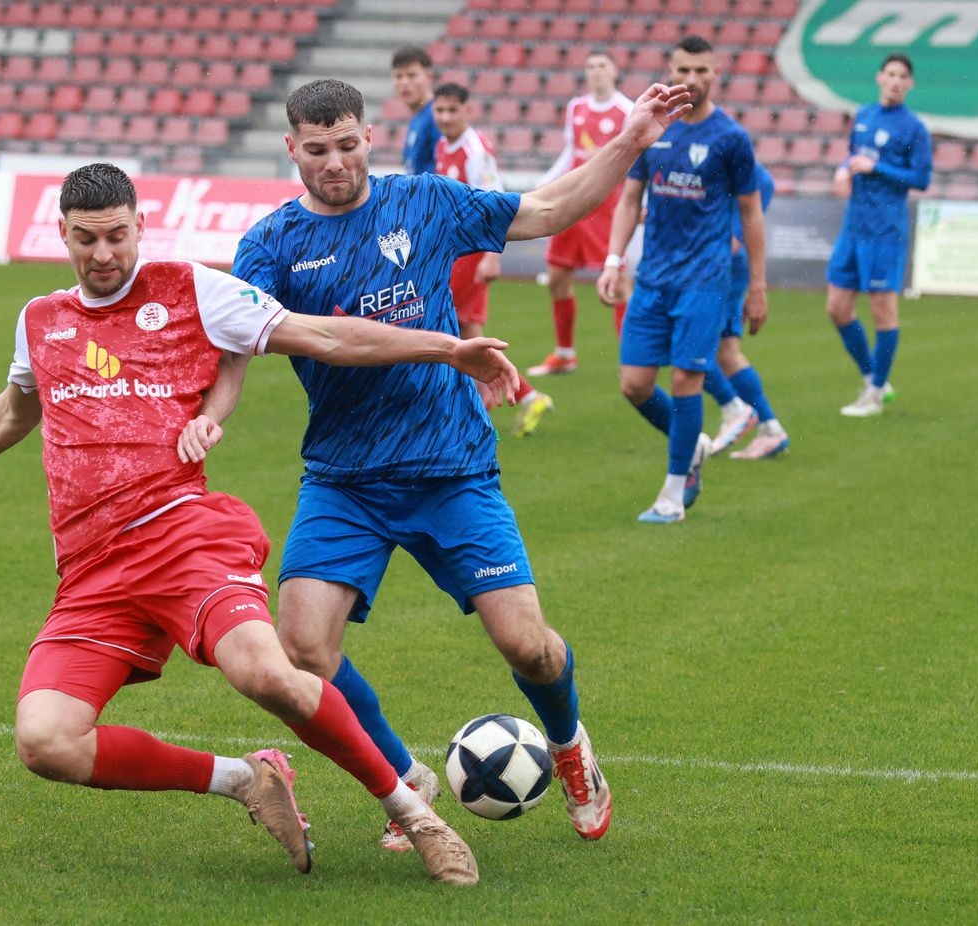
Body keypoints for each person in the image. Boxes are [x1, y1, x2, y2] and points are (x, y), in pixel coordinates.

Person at [0, 162, 523, 885]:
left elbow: (325, 337)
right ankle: (247, 781)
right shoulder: (41, 319)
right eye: (86, 239)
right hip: (92, 568)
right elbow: (13, 411)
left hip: (183, 536)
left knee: (268, 673)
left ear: (140, 225)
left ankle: (416, 816)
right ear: (62, 233)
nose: (104, 254)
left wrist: (449, 350)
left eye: (118, 236)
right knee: (46, 742)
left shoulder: (190, 289)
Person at [229, 78, 691, 851]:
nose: (335, 162)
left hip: (451, 468)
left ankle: (572, 747)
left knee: (530, 647)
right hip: (344, 479)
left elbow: (543, 210)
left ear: (370, 137)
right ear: (292, 150)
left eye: (347, 145)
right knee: (304, 648)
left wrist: (629, 141)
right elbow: (249, 338)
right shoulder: (270, 246)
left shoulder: (426, 202)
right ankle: (407, 778)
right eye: (317, 150)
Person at [596, 35, 765, 523]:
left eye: (702, 71)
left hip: (705, 279)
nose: (691, 80)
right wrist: (613, 260)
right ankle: (691, 447)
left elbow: (751, 214)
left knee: (688, 379)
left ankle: (672, 497)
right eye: (684, 70)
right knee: (634, 385)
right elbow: (630, 199)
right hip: (653, 278)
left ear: (715, 74)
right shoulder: (654, 127)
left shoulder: (730, 138)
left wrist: (756, 285)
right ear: (670, 69)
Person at [432, 81, 554, 437]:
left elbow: (493, 202)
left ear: (467, 110)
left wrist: (490, 256)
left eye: (452, 110)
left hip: (471, 253)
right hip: (455, 249)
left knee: (445, 326)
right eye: (440, 110)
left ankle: (473, 408)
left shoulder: (475, 150)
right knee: (466, 331)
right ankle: (523, 396)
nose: (445, 117)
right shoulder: (443, 144)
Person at [825, 52, 932, 418]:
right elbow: (852, 156)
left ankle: (872, 394)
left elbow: (921, 178)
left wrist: (877, 167)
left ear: (910, 84)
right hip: (854, 226)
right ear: (879, 77)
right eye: (891, 74)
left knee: (882, 311)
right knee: (837, 308)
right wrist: (843, 171)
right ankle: (875, 379)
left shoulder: (914, 128)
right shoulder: (864, 115)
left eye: (903, 75)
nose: (896, 80)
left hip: (885, 229)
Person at [529, 49, 635, 376]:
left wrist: (639, 201)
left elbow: (634, 160)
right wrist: (544, 183)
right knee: (557, 275)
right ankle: (565, 353)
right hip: (574, 199)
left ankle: (633, 358)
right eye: (590, 66)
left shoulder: (626, 110)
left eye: (602, 65)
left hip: (606, 204)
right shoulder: (576, 107)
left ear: (615, 70)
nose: (596, 71)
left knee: (617, 282)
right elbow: (571, 152)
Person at [706, 162, 791, 460]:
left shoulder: (730, 151)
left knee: (687, 344)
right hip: (719, 263)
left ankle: (735, 409)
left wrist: (733, 235)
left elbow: (762, 183)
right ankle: (770, 429)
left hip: (718, 265)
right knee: (725, 351)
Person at [391, 45, 440, 175]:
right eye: (398, 76)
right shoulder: (418, 118)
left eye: (411, 75)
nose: (404, 82)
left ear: (429, 77)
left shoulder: (438, 117)